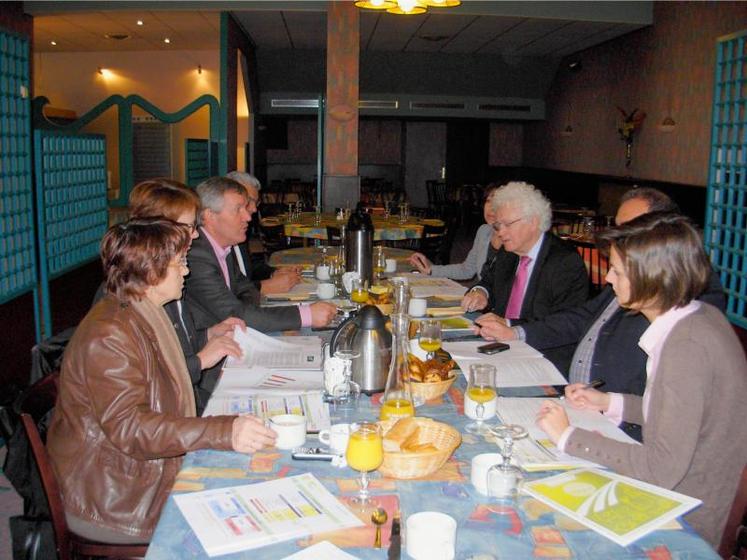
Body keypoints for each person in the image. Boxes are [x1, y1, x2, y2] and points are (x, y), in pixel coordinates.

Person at [47, 219, 277, 543]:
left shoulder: (143, 310)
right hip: (118, 497)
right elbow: (131, 429)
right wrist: (222, 430)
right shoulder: (109, 334)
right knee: (250, 516)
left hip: (139, 470)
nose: (185, 272)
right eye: (179, 263)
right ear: (151, 271)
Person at [535, 212, 747, 547]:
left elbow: (661, 469)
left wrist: (568, 436)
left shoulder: (687, 346)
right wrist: (609, 402)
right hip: (680, 488)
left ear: (652, 277)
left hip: (684, 517)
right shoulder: (695, 318)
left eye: (617, 270)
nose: (607, 279)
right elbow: (676, 416)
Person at [473, 188, 725, 441]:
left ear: (663, 235)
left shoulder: (694, 295)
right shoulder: (632, 277)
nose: (617, 240)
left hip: (620, 428)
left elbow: (669, 420)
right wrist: (515, 330)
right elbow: (581, 317)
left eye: (628, 231)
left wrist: (601, 413)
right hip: (585, 403)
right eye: (618, 229)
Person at [94, 178, 245, 413]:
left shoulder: (166, 277)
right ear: (155, 231)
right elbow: (149, 381)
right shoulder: (130, 295)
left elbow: (177, 340)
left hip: (185, 400)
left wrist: (208, 334)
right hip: (166, 414)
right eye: (187, 228)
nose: (195, 235)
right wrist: (201, 360)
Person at [184, 176, 337, 336]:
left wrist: (250, 311)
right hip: (211, 346)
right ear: (210, 216)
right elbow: (237, 313)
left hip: (234, 331)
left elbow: (246, 290)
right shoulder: (197, 256)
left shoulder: (222, 247)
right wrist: (306, 315)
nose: (248, 217)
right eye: (238, 209)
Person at [461, 181, 589, 323]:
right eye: (498, 225)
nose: (500, 232)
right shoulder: (509, 251)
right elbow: (488, 282)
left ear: (533, 221)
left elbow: (563, 323)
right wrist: (480, 292)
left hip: (535, 343)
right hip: (499, 339)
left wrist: (510, 326)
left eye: (508, 224)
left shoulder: (565, 262)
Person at [225, 171, 302, 295]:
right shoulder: (203, 250)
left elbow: (245, 269)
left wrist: (274, 272)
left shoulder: (238, 231)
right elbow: (223, 294)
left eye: (256, 202)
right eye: (248, 201)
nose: (255, 209)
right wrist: (264, 287)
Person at [408, 183, 502, 280]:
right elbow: (467, 270)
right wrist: (430, 269)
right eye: (488, 201)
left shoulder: (514, 241)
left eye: (497, 203)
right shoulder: (484, 231)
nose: (491, 208)